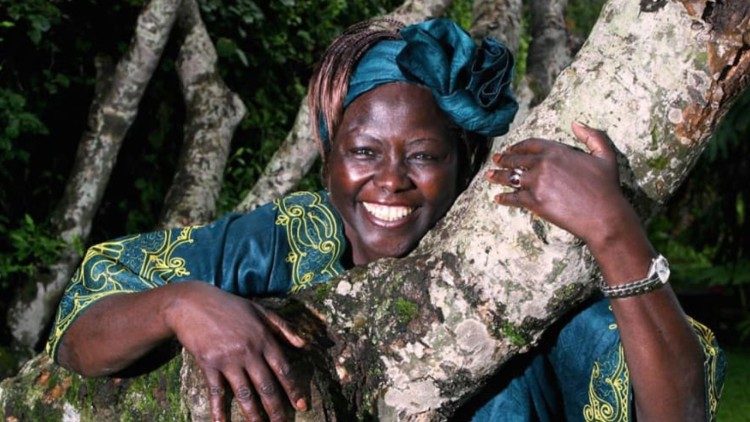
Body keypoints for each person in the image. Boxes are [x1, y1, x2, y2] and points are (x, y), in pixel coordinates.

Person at [47, 18, 724, 421]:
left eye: (423, 155)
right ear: (331, 158)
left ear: (463, 161)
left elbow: (679, 410)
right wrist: (179, 302)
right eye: (364, 151)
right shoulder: (290, 239)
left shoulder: (518, 281)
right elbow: (79, 340)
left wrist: (613, 230)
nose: (391, 179)